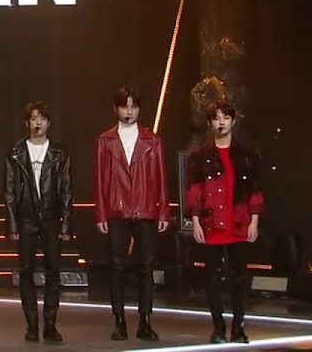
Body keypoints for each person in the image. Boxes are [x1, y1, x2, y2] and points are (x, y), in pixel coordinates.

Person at [93, 86, 170, 342]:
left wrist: (163, 212)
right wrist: (101, 214)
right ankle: (119, 321)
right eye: (124, 106)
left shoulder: (152, 140)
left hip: (145, 209)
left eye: (133, 106)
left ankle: (145, 322)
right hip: (117, 210)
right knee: (116, 266)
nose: (129, 111)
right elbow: (99, 180)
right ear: (116, 108)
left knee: (146, 267)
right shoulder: (105, 141)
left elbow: (161, 178)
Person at [185, 100, 264, 344]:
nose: (221, 123)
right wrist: (195, 221)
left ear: (233, 121)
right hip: (212, 224)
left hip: (239, 224)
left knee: (239, 278)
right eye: (216, 118)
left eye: (225, 118)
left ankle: (238, 328)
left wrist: (254, 221)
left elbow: (254, 190)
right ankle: (218, 327)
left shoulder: (247, 156)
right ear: (210, 123)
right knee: (212, 278)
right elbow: (194, 191)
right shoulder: (200, 157)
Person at [4, 101, 73, 342]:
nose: (38, 122)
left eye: (42, 118)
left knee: (53, 271)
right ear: (27, 122)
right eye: (33, 118)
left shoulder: (59, 153)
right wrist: (12, 225)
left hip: (51, 218)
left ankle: (50, 325)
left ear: (48, 122)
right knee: (26, 271)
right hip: (26, 218)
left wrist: (66, 223)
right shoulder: (16, 153)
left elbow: (66, 190)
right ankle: (32, 325)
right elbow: (9, 192)